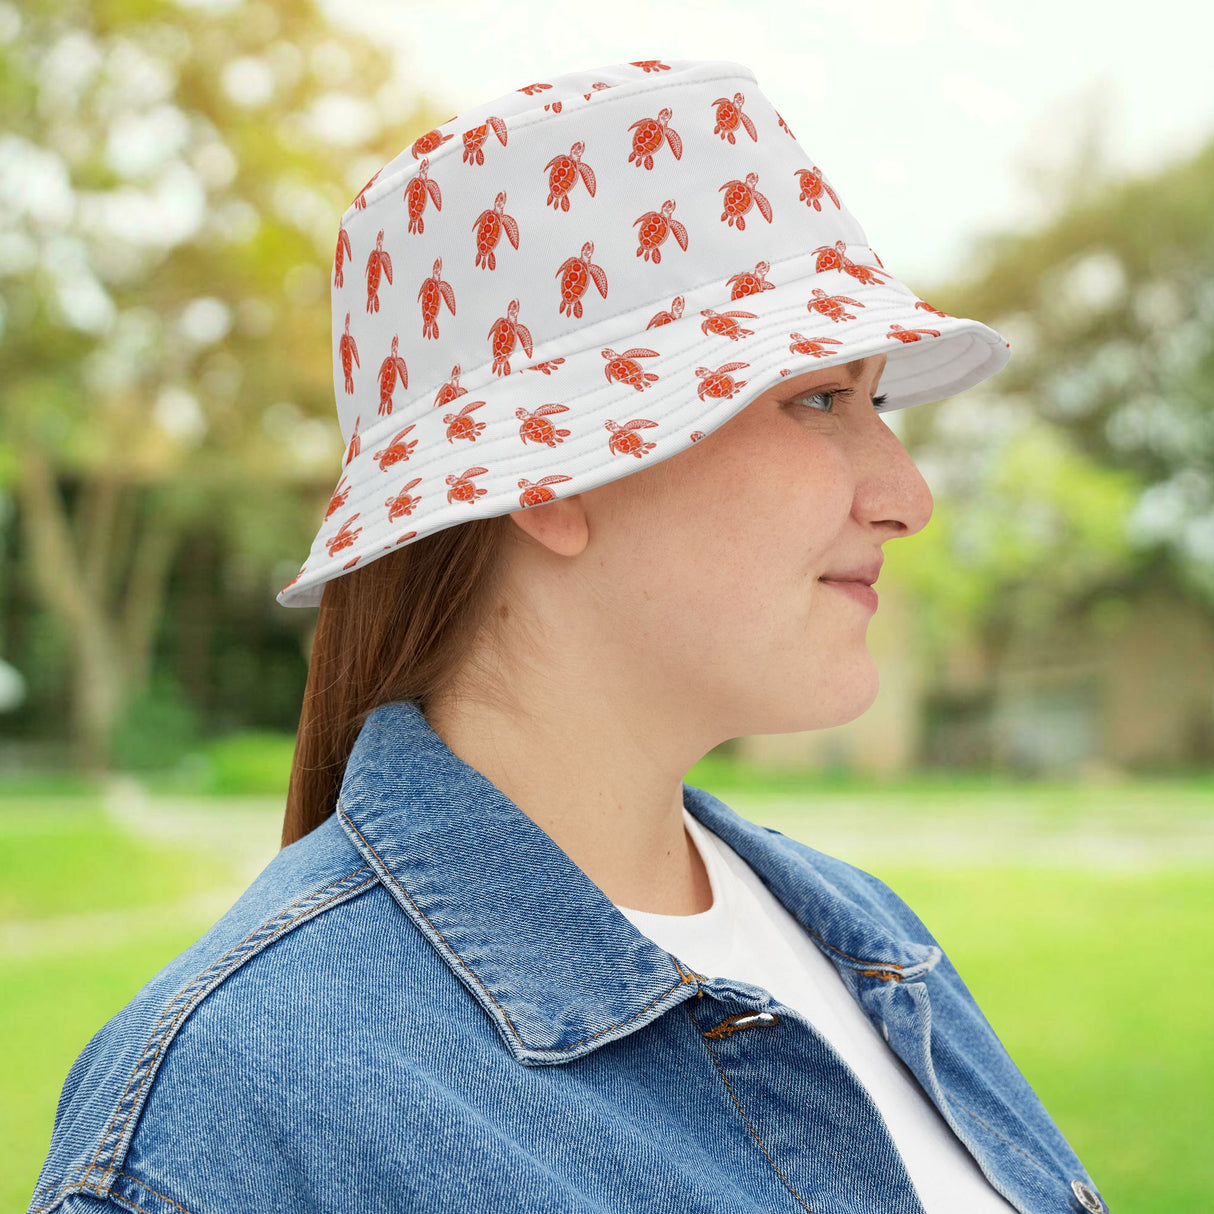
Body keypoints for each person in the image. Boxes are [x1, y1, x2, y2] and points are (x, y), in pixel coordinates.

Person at [28, 58, 1110, 1214]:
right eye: (816, 397)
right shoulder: (232, 1115)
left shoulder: (868, 938)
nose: (907, 496)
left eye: (873, 401)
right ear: (549, 474)